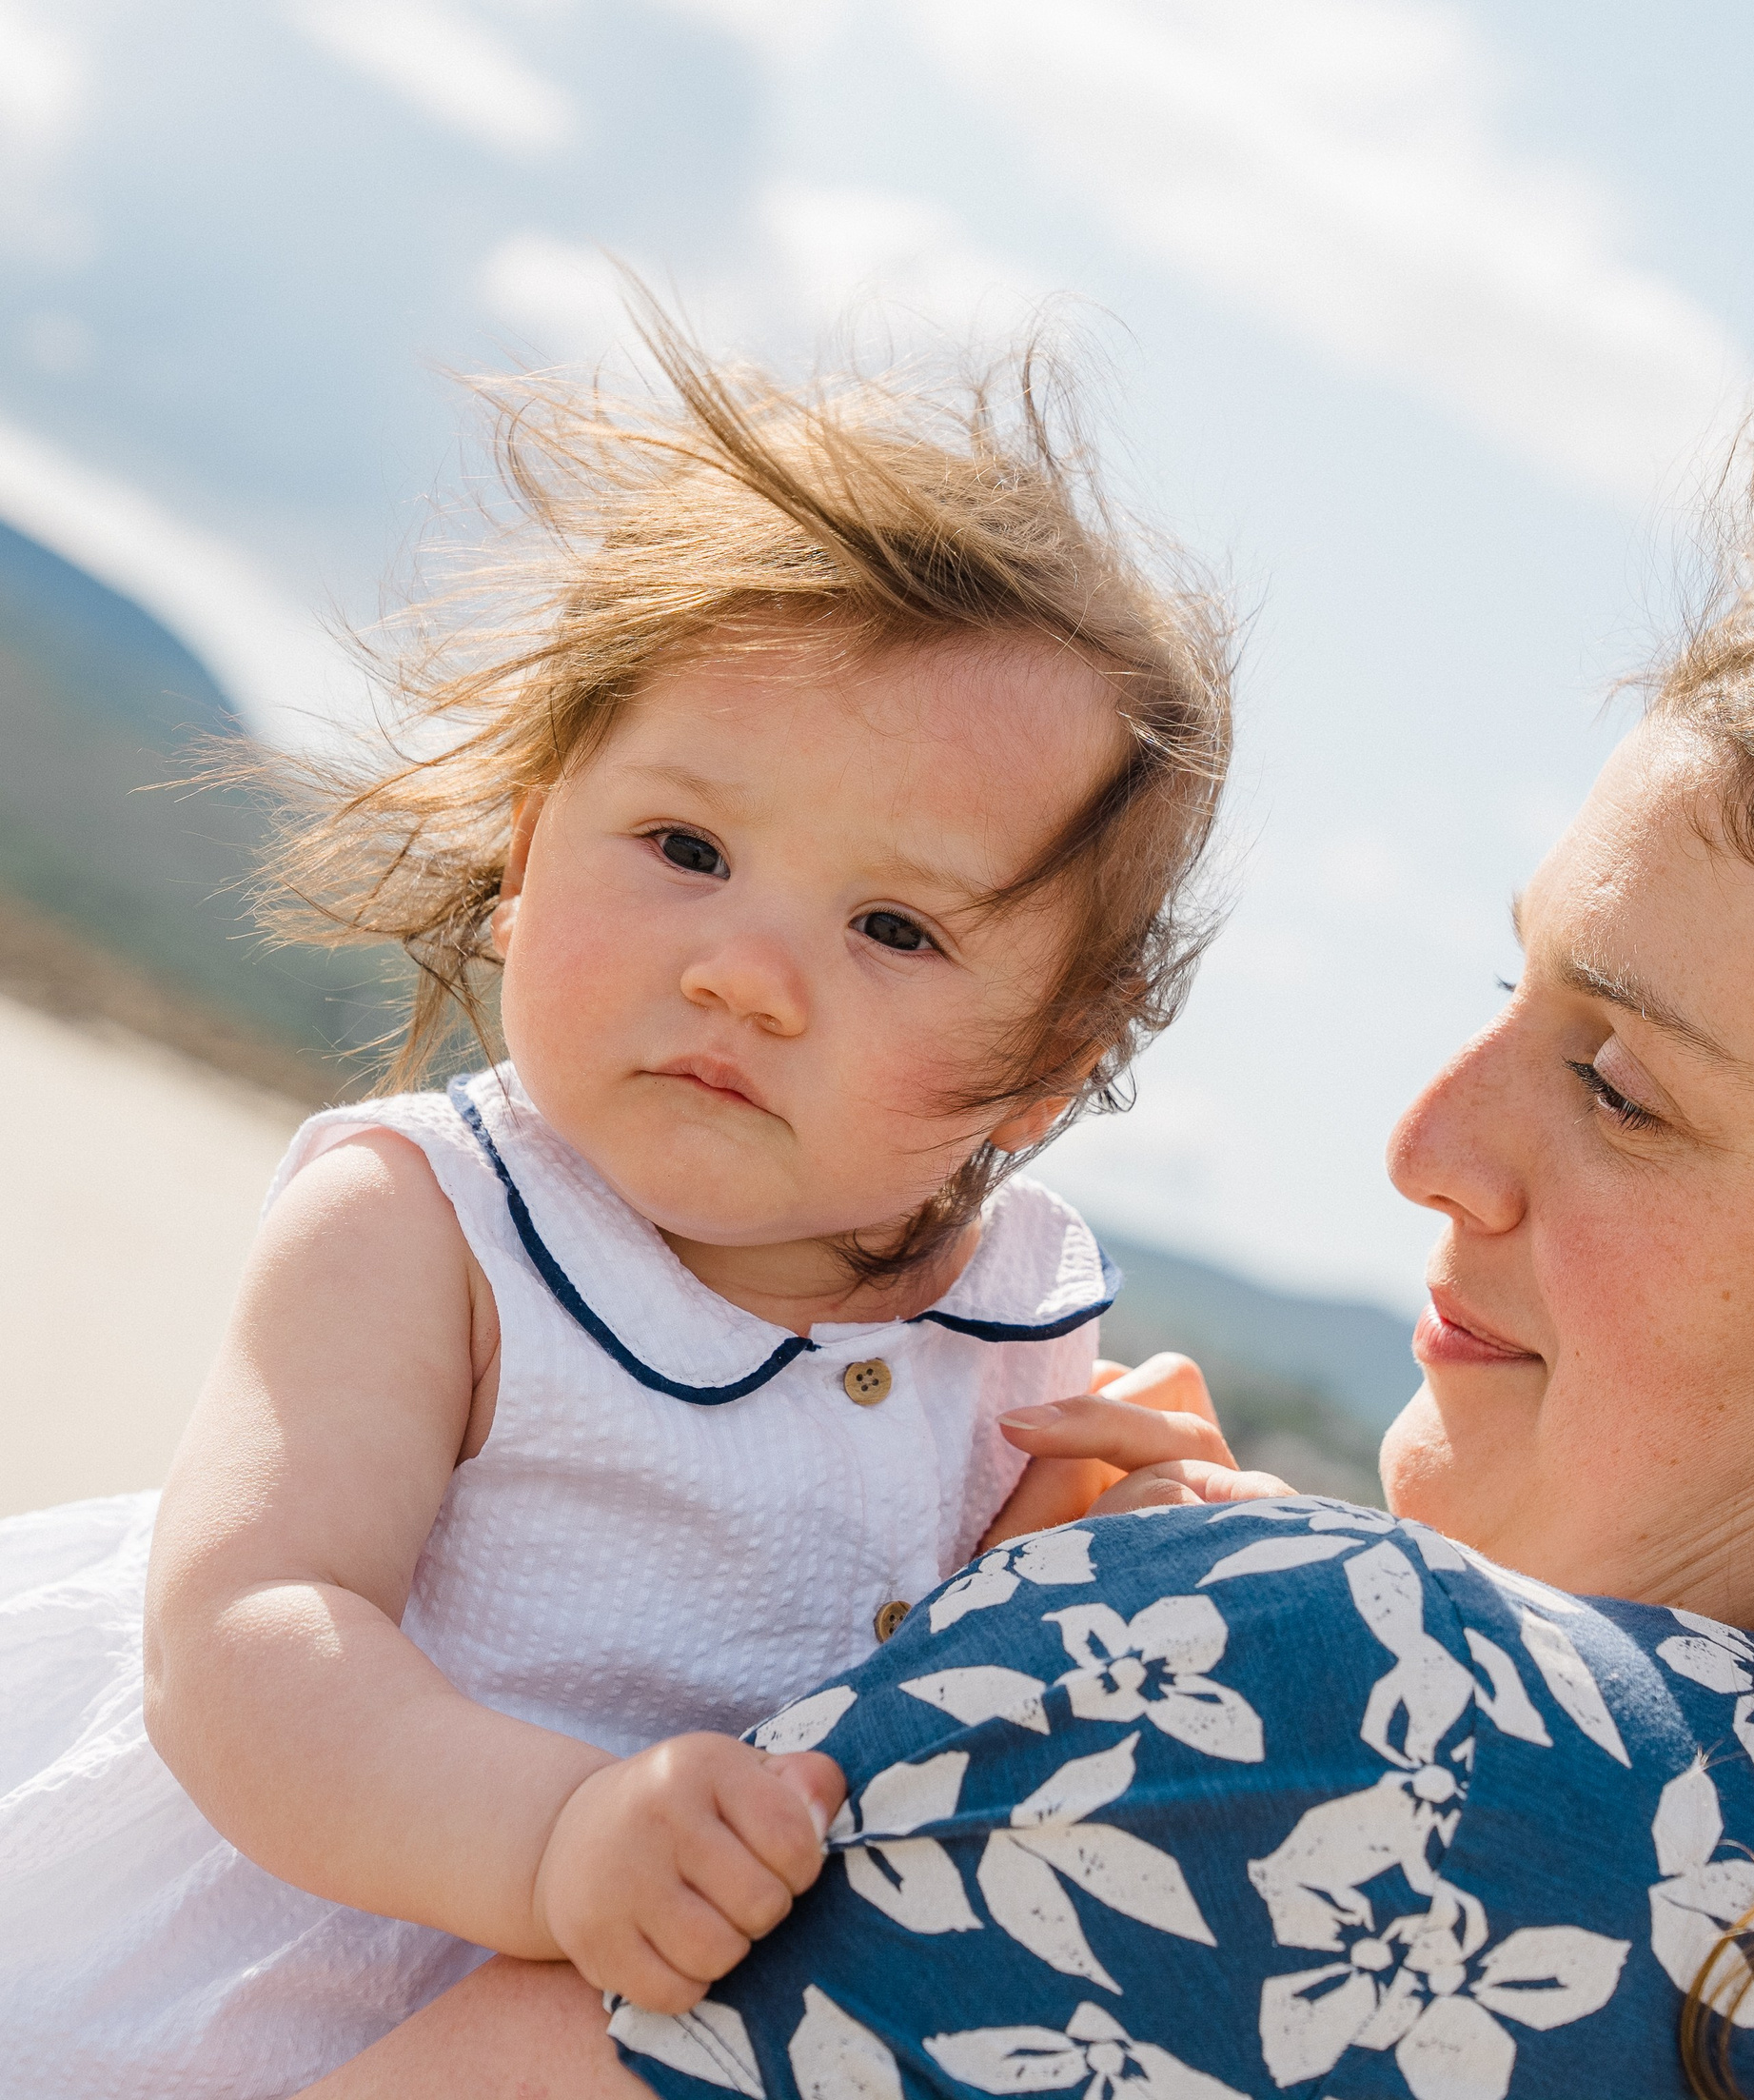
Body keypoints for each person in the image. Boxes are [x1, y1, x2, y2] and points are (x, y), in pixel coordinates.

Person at [309, 555, 1754, 2100]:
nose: (1426, 1141)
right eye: (1505, 995)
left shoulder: (1346, 1715)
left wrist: (1112, 1675)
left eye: (1618, 1085)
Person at [0, 320, 1232, 2098]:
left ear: (1046, 1068)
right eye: (685, 848)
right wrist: (558, 1832)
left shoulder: (1018, 1330)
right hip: (203, 1991)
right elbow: (245, 1634)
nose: (743, 973)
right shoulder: (432, 1225)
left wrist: (1115, 1548)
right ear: (523, 849)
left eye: (894, 929)